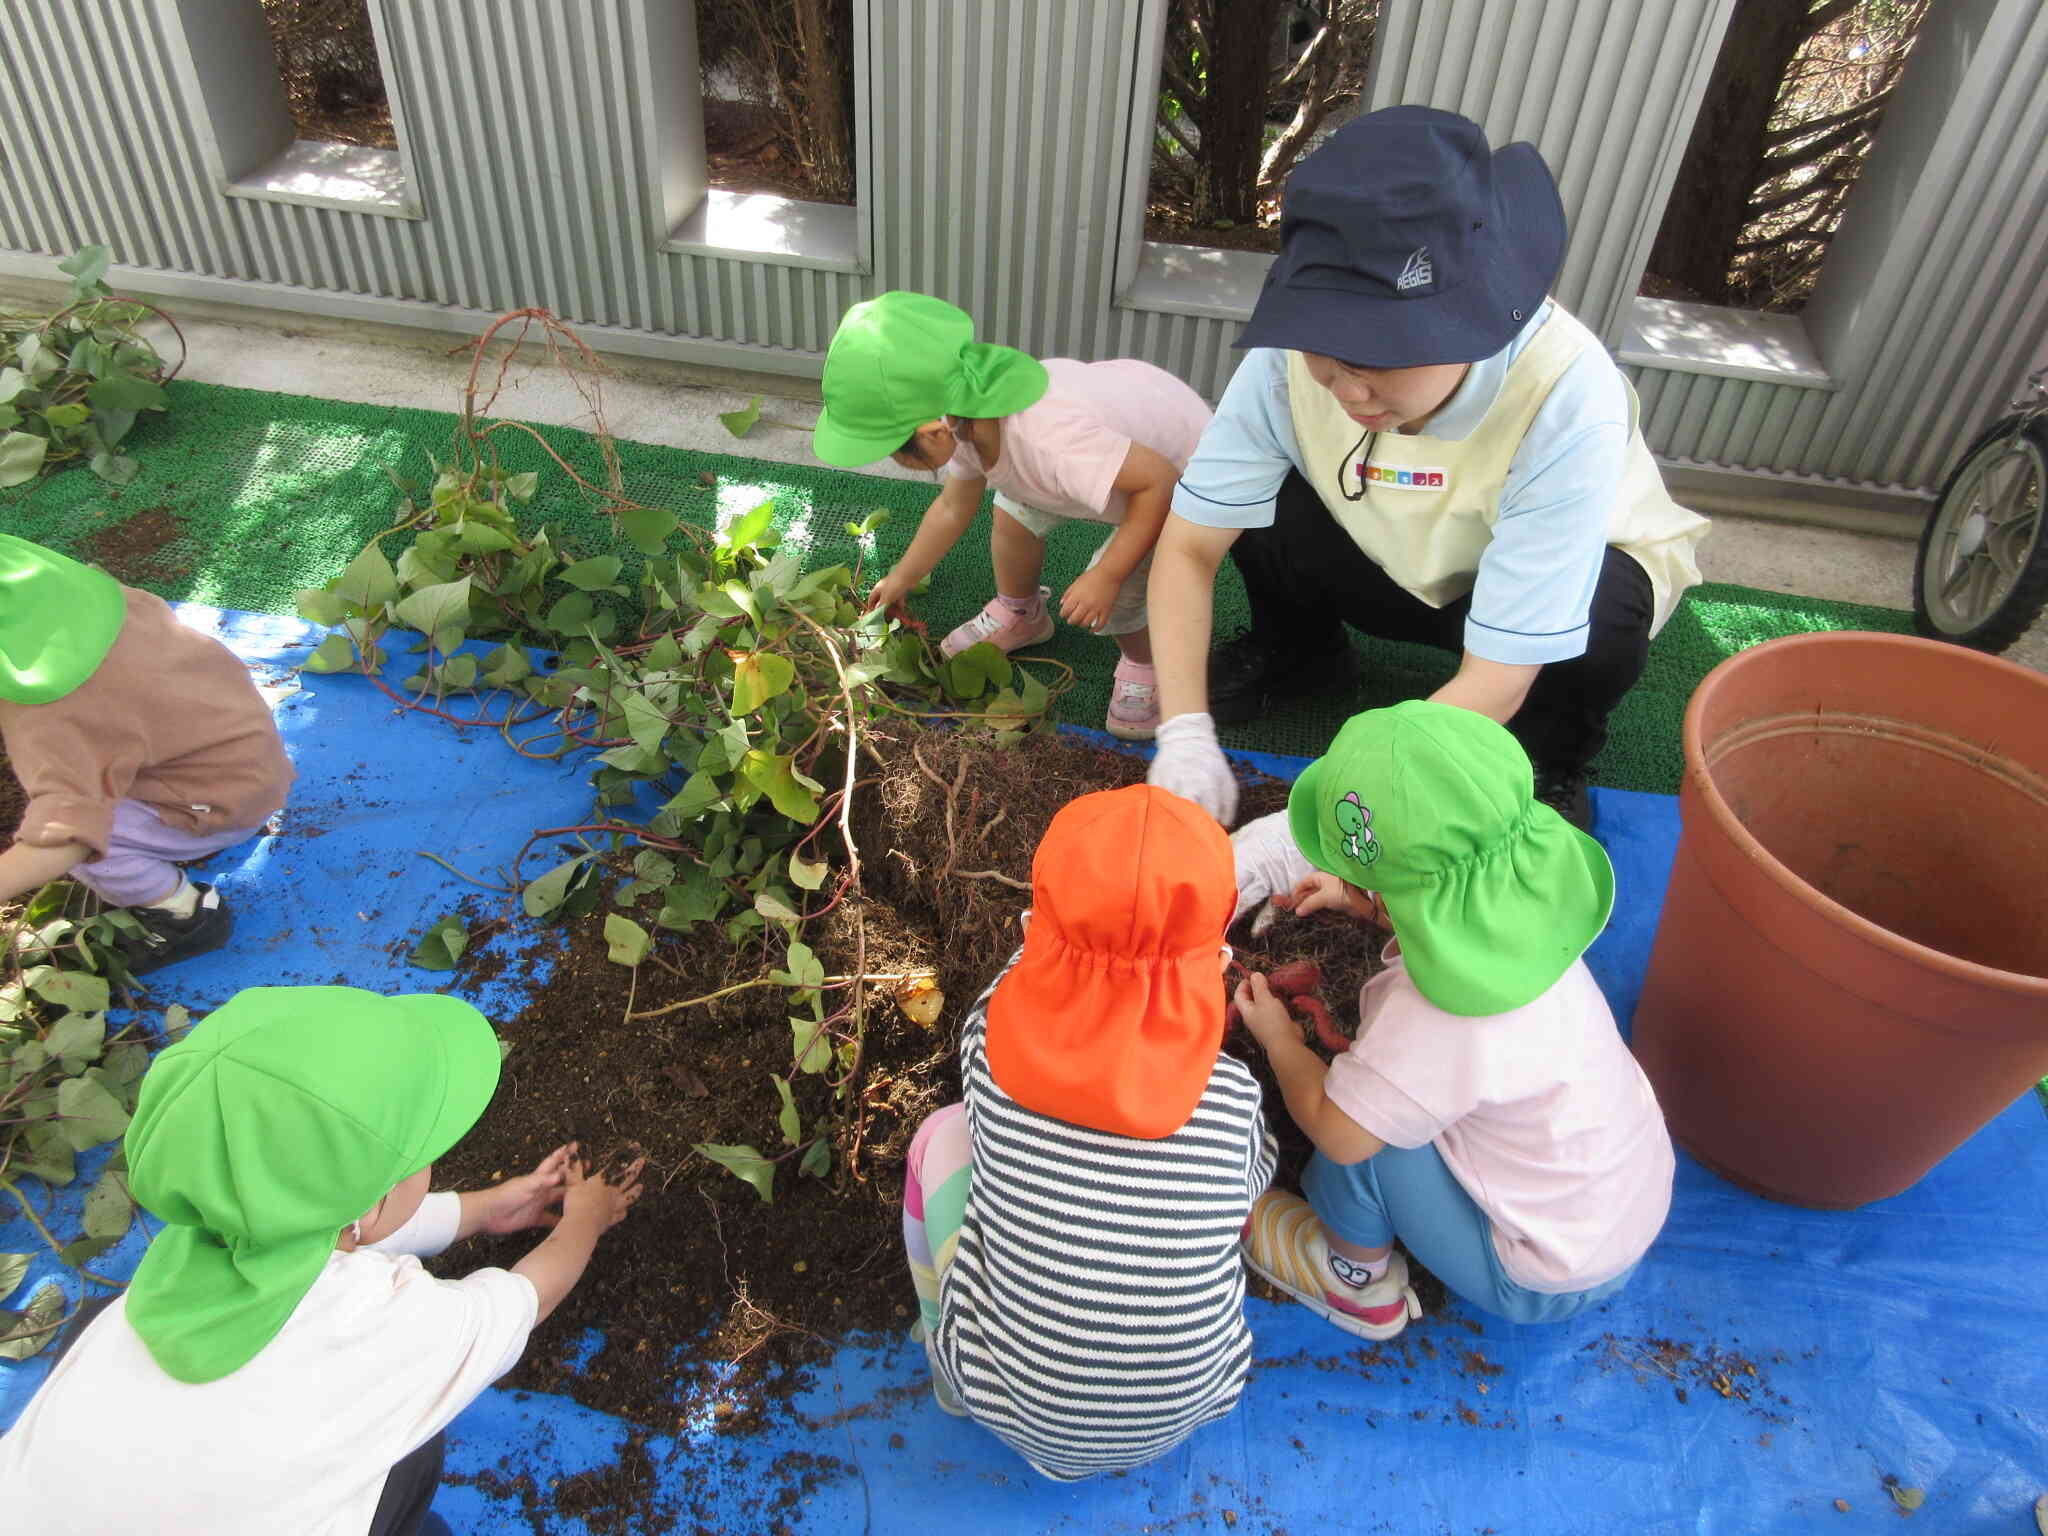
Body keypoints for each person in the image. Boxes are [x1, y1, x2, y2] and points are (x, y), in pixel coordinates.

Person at [1145, 106, 1710, 830]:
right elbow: (1190, 546)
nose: (1348, 391)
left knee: (1602, 617)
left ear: (1472, 319)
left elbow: (1500, 673)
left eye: (1383, 353)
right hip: (1386, 548)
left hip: (1519, 599)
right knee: (1252, 500)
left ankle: (1544, 757)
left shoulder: (1568, 395)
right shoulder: (1288, 366)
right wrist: (1185, 731)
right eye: (1329, 353)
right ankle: (1304, 654)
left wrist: (1321, 817)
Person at [0, 984, 646, 1535]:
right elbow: (522, 1300)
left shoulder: (186, 1250)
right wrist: (585, 1220)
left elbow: (331, 1225)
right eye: (418, 1155)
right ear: (373, 1199)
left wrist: (485, 1211)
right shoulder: (379, 1323)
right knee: (409, 1453)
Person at [1227, 701, 1673, 1341]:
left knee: (1369, 1145)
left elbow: (1339, 1133)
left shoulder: (1433, 1018)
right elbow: (1454, 897)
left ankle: (1354, 1282)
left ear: (1388, 889)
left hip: (1538, 1275)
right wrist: (1372, 906)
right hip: (1614, 1215)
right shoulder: (1536, 930)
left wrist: (1277, 1040)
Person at [899, 784, 1277, 1478]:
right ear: (1219, 964)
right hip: (1196, 1401)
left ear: (1027, 933)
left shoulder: (989, 1042)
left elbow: (990, 1102)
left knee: (940, 1137)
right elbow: (1252, 1182)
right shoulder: (1230, 1097)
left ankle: (945, 1359)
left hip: (1002, 1396)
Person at [811, 291, 1213, 741]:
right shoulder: (965, 411)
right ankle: (1021, 612)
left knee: (1122, 591)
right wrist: (903, 576)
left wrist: (1108, 574)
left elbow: (1158, 482)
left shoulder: (1048, 439)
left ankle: (1144, 661)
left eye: (893, 448)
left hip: (1183, 477)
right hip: (1120, 450)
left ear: (934, 431)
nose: (892, 458)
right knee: (1013, 515)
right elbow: (951, 507)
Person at [0, 534, 294, 970]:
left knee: (96, 849)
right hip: (241, 751)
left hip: (216, 805)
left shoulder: (51, 714)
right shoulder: (82, 602)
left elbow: (64, 838)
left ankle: (184, 913)